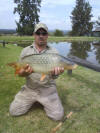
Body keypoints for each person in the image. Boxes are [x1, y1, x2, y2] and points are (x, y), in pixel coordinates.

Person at [9, 23, 64, 121]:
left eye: (44, 33)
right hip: (30, 88)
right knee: (14, 111)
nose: (41, 36)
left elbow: (55, 77)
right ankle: (35, 100)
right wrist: (25, 73)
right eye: (38, 33)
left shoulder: (54, 52)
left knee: (57, 116)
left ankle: (43, 101)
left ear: (47, 35)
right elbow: (21, 74)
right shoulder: (25, 51)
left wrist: (56, 73)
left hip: (48, 89)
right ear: (34, 35)